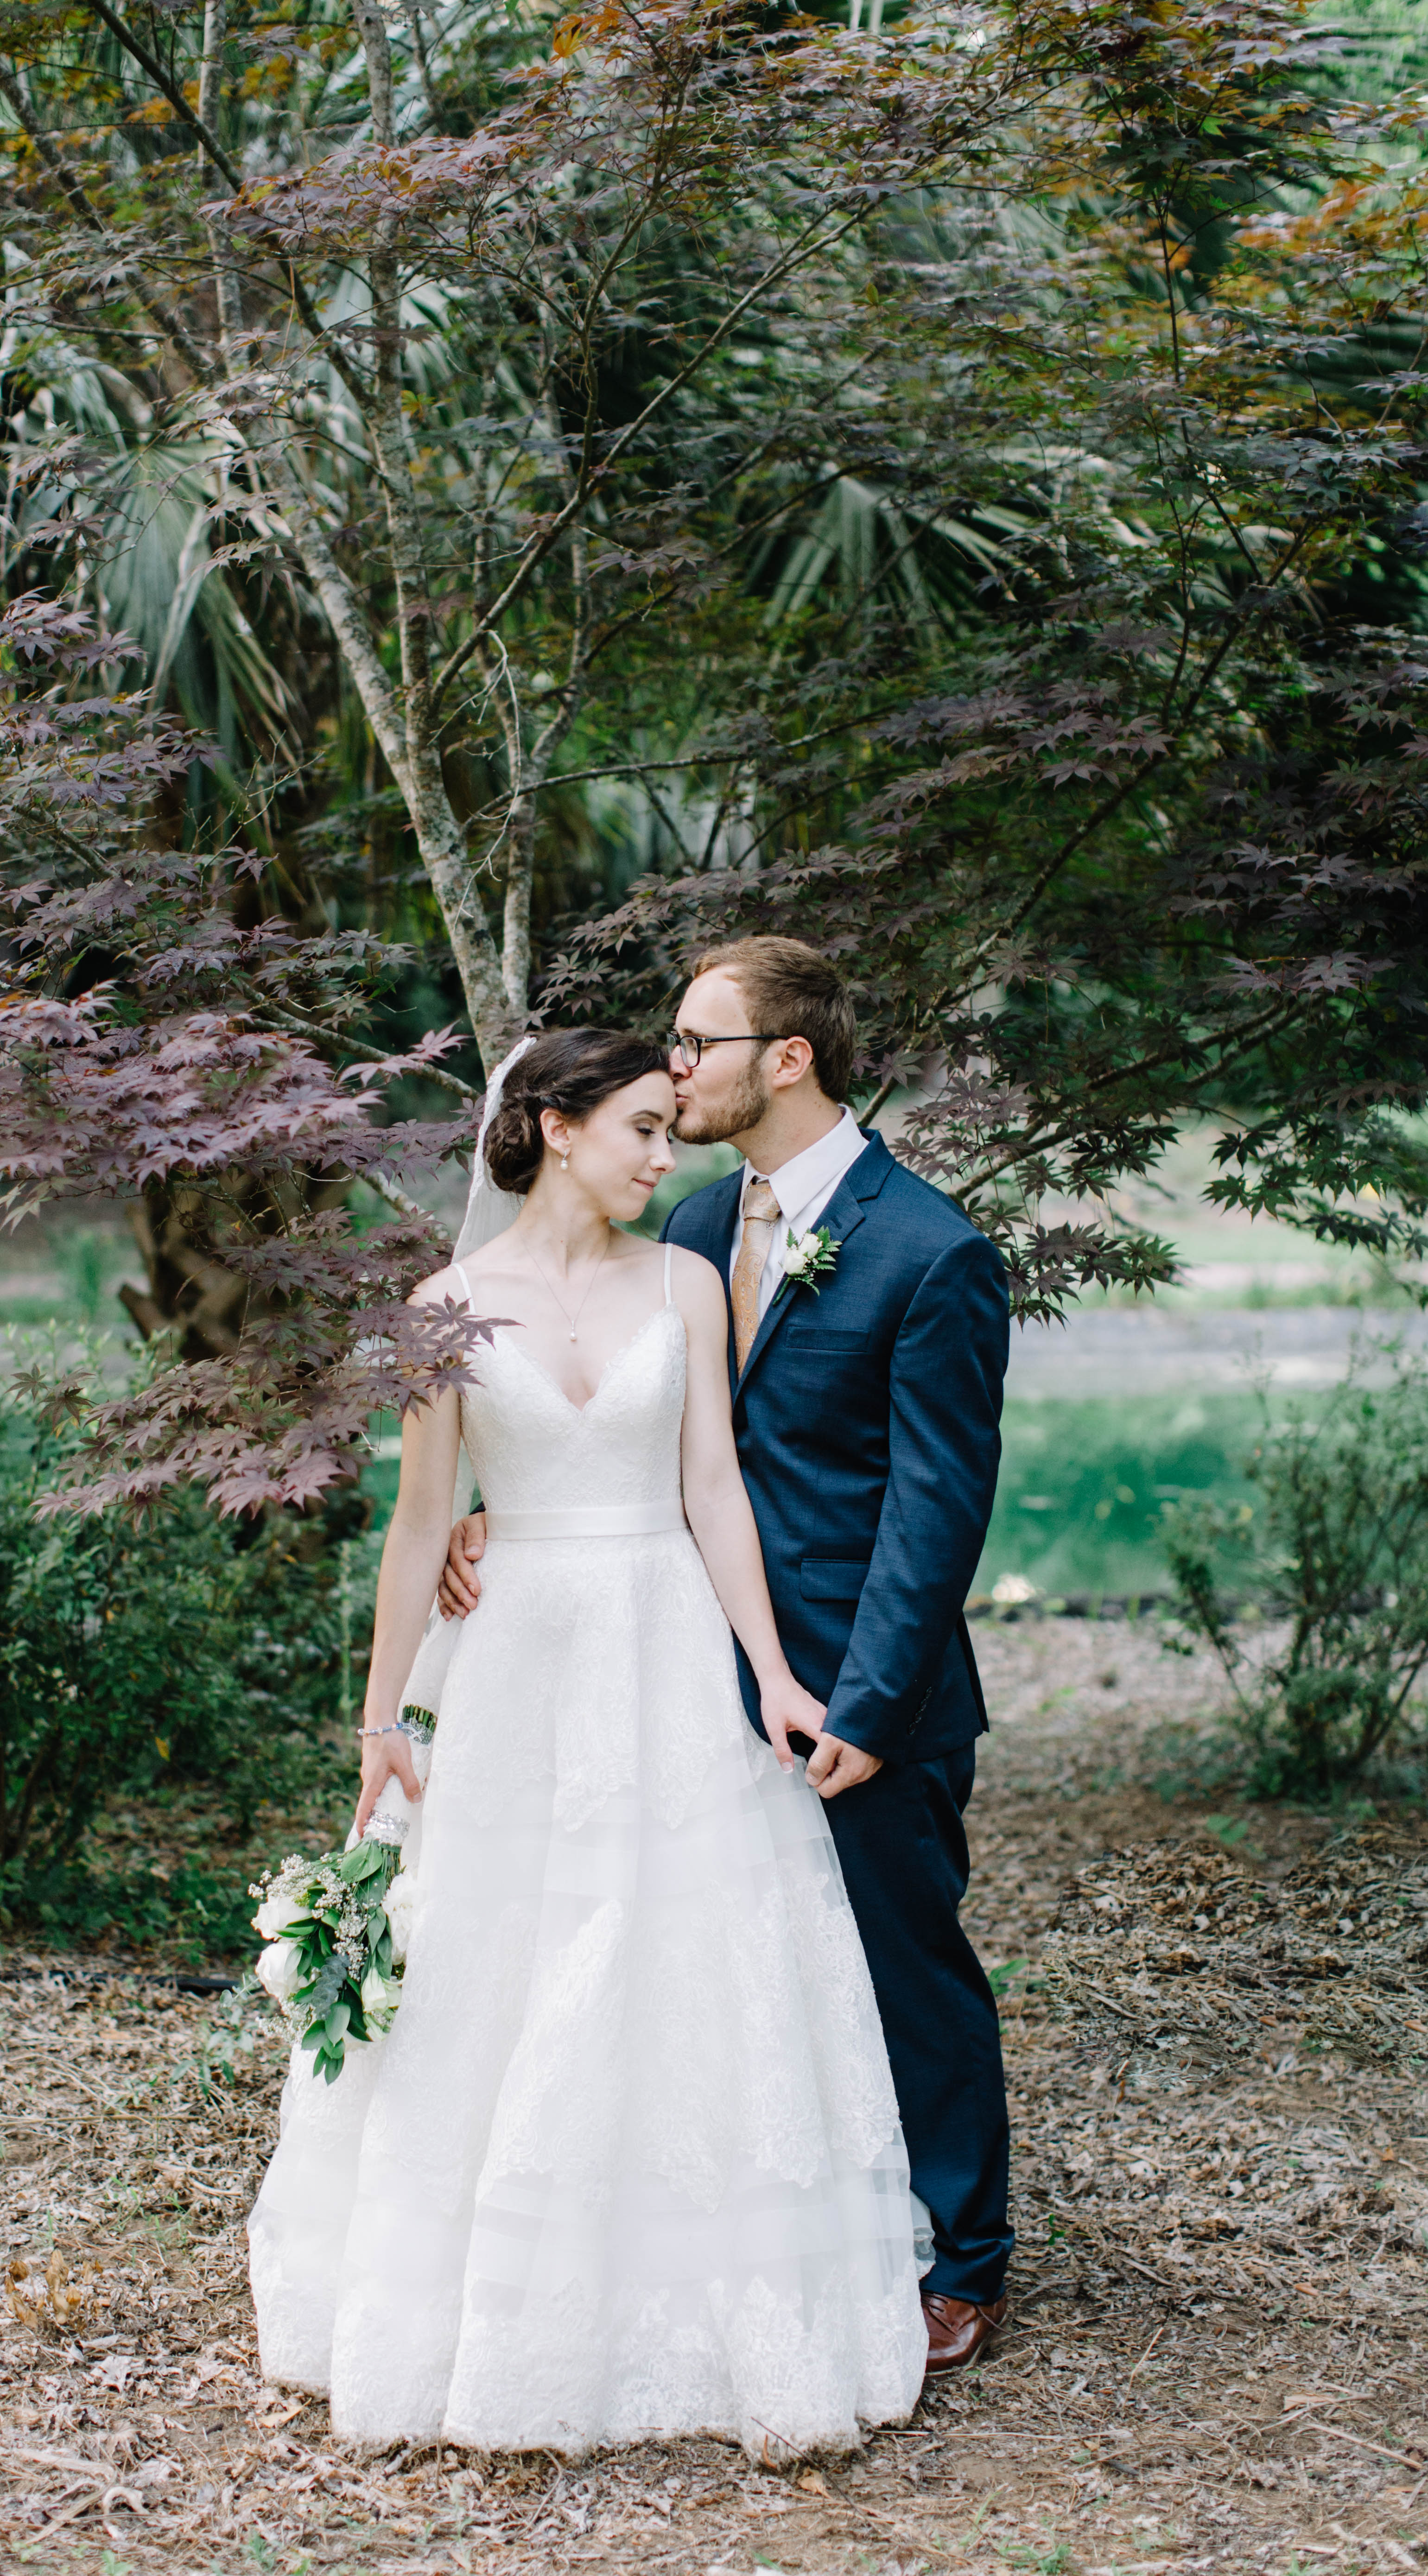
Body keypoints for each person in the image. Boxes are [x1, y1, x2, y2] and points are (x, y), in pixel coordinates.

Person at [248, 1028, 928, 2453]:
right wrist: (383, 1717)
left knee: (677, 1951)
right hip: (511, 1659)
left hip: (663, 1641)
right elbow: (421, 1520)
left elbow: (715, 1492)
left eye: (665, 1130)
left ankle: (679, 2287)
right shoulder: (439, 1306)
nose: (660, 1156)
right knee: (507, 1947)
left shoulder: (684, 1280)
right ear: (554, 1127)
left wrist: (775, 1676)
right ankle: (494, 2294)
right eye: (636, 1128)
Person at [440, 943, 1013, 2375]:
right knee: (747, 1975)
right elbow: (628, 1425)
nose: (672, 1067)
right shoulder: (691, 1230)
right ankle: (776, 2231)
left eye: (697, 1042)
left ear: (789, 1057)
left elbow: (935, 1513)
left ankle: (963, 2258)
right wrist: (492, 1511)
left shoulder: (928, 1251)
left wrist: (869, 1707)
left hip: (862, 1685)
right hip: (690, 1671)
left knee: (900, 1969)